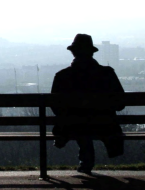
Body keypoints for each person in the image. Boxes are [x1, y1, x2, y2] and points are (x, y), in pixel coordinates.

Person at [51, 34, 125, 174]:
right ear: (91, 52)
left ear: (73, 52)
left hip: (73, 125)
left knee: (80, 123)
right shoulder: (107, 73)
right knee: (87, 122)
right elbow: (120, 103)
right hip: (104, 124)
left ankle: (86, 160)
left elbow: (56, 106)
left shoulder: (62, 76)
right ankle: (94, 156)